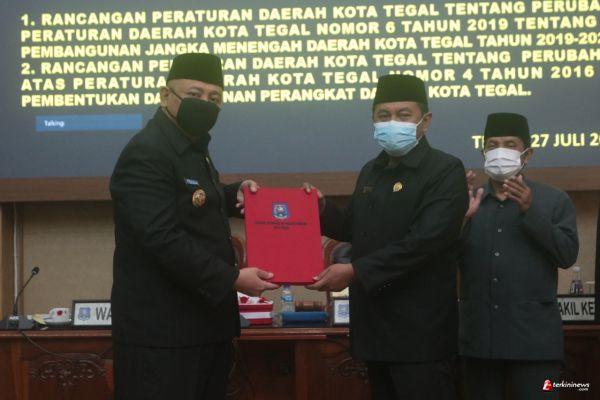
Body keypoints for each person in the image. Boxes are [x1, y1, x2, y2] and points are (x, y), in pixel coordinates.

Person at [110, 53, 278, 400]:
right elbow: (161, 237)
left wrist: (234, 194)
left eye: (214, 97)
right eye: (194, 94)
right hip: (162, 336)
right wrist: (232, 278)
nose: (205, 103)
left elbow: (193, 201)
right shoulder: (147, 151)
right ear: (165, 95)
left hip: (203, 328)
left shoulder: (191, 146)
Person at [305, 75, 468, 400]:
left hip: (420, 333)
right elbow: (354, 227)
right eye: (383, 115)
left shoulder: (445, 170)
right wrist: (320, 209)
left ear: (425, 121)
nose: (392, 122)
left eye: (403, 115)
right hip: (374, 327)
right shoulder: (372, 170)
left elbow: (424, 242)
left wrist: (355, 271)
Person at [460, 113, 579, 400]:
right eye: (493, 145)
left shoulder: (554, 200)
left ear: (527, 154)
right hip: (479, 343)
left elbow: (566, 255)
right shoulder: (469, 201)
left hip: (534, 344)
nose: (500, 151)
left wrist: (530, 211)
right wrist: (459, 219)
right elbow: (442, 260)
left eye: (510, 144)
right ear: (483, 152)